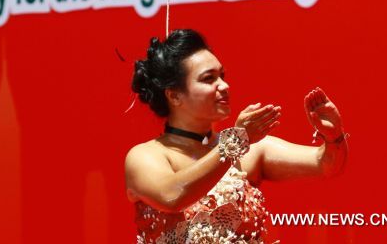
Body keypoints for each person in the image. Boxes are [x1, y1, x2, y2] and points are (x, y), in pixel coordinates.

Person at [126, 29, 347, 244]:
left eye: (222, 76)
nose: (224, 85)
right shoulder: (146, 156)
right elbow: (171, 196)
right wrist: (235, 142)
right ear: (174, 95)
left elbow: (327, 164)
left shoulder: (252, 149)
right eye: (208, 79)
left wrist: (333, 136)